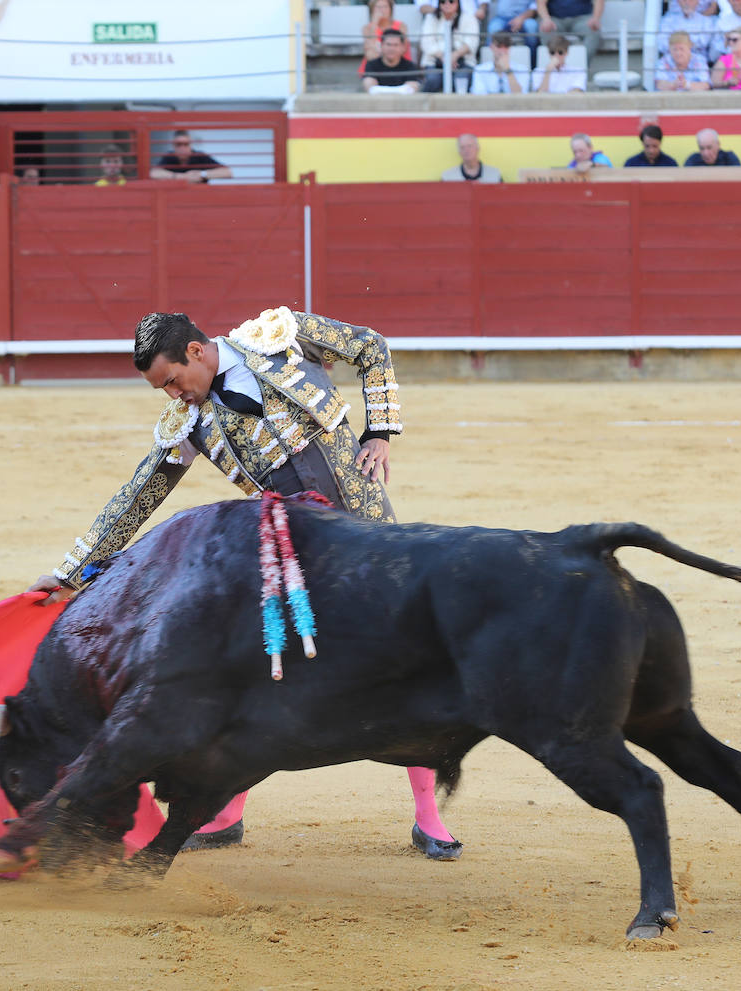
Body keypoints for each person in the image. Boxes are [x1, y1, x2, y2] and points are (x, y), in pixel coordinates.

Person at [26, 308, 464, 862]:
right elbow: (140, 494)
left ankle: (428, 815)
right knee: (264, 674)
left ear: (195, 353)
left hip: (371, 539)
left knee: (406, 665)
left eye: (171, 382)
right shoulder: (190, 424)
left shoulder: (279, 337)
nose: (173, 397)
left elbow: (371, 345)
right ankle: (227, 810)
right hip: (294, 553)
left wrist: (380, 432)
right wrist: (73, 570)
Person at [418, 0, 479, 92]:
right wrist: (444, 57)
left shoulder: (469, 17)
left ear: (458, 3)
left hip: (463, 62)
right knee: (433, 80)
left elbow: (472, 42)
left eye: (451, 1)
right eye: (443, 2)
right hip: (435, 62)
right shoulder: (431, 18)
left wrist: (454, 55)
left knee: (461, 81)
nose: (447, 5)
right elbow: (426, 43)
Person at [150, 130, 234, 183]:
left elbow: (228, 172)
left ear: (191, 144)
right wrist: (180, 177)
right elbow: (153, 173)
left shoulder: (200, 156)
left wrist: (202, 174)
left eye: (186, 144)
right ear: (173, 146)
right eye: (178, 145)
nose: (182, 148)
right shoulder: (169, 157)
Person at [362, 27, 425, 92]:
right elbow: (370, 88)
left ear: (403, 47)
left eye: (396, 45)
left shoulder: (410, 66)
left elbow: (411, 88)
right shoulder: (372, 65)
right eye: (388, 44)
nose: (392, 48)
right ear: (381, 46)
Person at [359, 0, 412, 76]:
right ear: (372, 10)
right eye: (378, 7)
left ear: (391, 9)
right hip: (373, 69)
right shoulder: (367, 28)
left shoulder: (401, 26)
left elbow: (402, 50)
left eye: (385, 7)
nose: (382, 10)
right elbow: (370, 55)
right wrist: (374, 23)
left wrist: (380, 51)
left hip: (398, 67)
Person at [537, 0, 604, 58]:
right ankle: (554, 67)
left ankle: (581, 67)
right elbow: (540, 3)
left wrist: (596, 18)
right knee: (545, 29)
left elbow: (599, 1)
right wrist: (546, 19)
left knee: (593, 31)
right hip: (555, 19)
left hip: (582, 19)